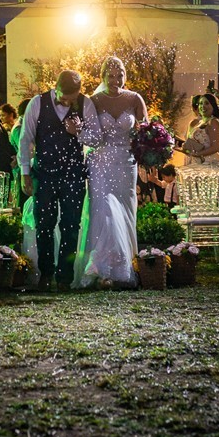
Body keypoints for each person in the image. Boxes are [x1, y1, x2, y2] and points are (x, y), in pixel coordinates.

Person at [19, 70, 101, 291]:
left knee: (71, 225)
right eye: (65, 98)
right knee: (44, 224)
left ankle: (64, 277)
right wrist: (24, 172)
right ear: (56, 88)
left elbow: (96, 137)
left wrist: (78, 132)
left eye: (72, 98)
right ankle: (46, 273)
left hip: (73, 174)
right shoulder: (37, 103)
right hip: (44, 174)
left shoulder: (86, 104)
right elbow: (26, 138)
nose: (69, 102)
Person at [73, 57, 146, 289]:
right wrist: (77, 133)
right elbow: (92, 137)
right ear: (103, 77)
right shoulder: (93, 101)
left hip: (126, 162)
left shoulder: (135, 99)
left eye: (120, 75)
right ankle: (100, 269)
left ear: (125, 75)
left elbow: (145, 132)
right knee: (103, 210)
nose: (116, 80)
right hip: (100, 162)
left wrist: (153, 147)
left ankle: (125, 266)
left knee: (124, 210)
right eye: (111, 76)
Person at [177, 93, 219, 165]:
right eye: (200, 104)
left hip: (209, 162)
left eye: (206, 103)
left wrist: (198, 154)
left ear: (213, 106)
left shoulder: (213, 122)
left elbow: (216, 147)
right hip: (196, 161)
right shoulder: (199, 123)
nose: (203, 106)